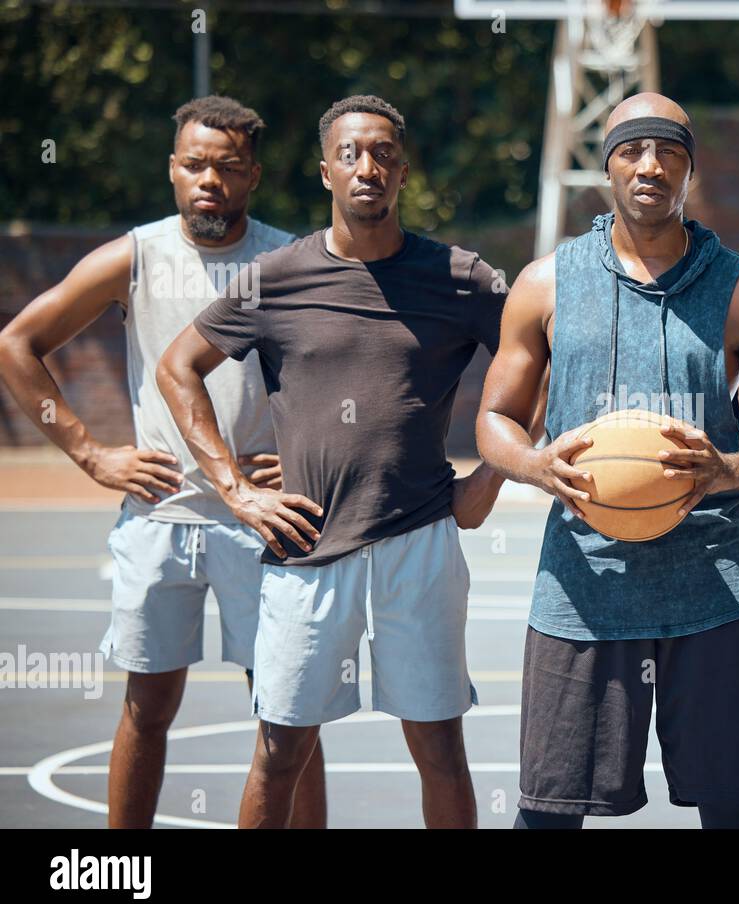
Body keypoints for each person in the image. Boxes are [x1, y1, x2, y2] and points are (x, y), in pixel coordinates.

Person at [157, 94, 515, 828]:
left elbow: (534, 354)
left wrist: (491, 474)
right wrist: (235, 492)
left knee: (441, 748)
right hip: (305, 545)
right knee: (279, 750)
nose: (367, 167)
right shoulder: (276, 276)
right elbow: (177, 367)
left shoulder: (460, 277)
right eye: (350, 153)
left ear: (403, 172)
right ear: (325, 171)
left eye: (383, 153)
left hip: (421, 540)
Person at [476, 92, 739, 829]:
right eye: (632, 148)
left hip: (714, 582)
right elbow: (495, 419)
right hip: (583, 583)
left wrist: (727, 472)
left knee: (733, 810)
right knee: (549, 810)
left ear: (690, 167)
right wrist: (534, 466)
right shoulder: (547, 282)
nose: (650, 164)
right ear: (607, 164)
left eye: (668, 150)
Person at [0, 95, 326, 828]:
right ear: (172, 170)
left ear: (255, 177)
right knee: (146, 709)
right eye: (195, 165)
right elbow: (15, 344)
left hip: (266, 523)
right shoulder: (135, 256)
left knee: (288, 715)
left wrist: (304, 457)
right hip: (161, 515)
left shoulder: (287, 261)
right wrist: (89, 452)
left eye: (228, 168)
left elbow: (341, 375)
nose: (210, 179)